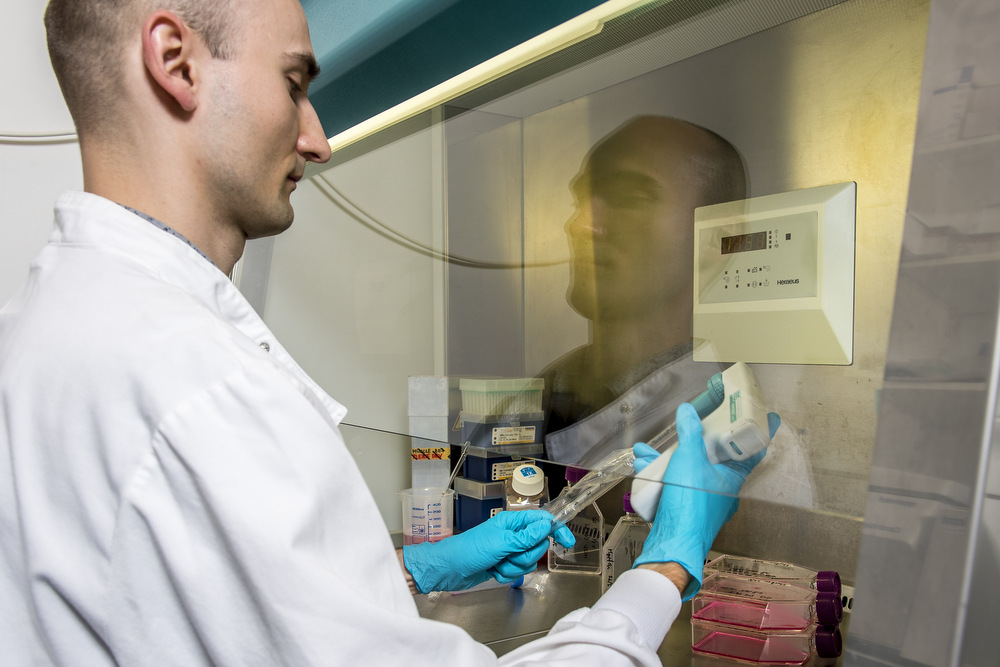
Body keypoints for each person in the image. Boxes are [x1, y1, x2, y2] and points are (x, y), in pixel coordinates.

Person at [0, 1, 776, 665]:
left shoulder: (55, 321)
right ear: (175, 60)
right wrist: (665, 568)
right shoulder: (199, 385)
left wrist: (416, 571)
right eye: (294, 84)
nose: (319, 139)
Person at [540, 116, 749, 468]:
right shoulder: (538, 398)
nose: (580, 225)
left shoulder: (742, 443)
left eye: (628, 197)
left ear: (717, 240)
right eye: (581, 200)